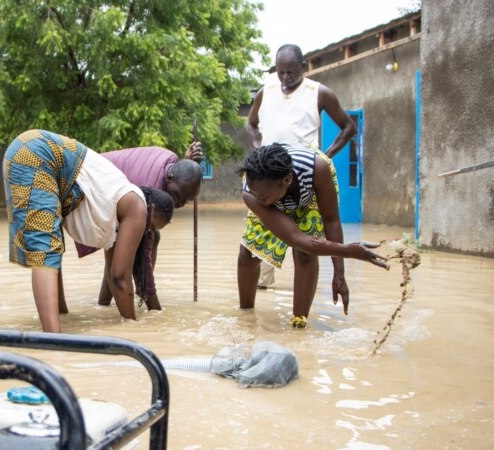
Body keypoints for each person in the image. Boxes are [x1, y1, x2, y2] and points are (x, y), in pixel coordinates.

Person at [2, 129, 175, 332]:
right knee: (45, 248)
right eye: (150, 227)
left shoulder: (118, 211)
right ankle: (54, 342)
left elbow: (113, 276)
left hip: (29, 151)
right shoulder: (137, 207)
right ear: (151, 208)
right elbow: (121, 278)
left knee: (51, 246)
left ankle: (60, 317)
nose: (146, 234)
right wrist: (133, 329)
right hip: (39, 152)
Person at [242, 43, 357, 291]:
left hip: (304, 178)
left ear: (302, 67)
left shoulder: (319, 93)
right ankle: (256, 301)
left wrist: (325, 156)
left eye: (291, 72)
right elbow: (251, 125)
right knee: (252, 250)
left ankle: (300, 318)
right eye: (281, 72)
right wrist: (258, 148)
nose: (285, 78)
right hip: (268, 179)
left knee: (305, 250)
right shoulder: (266, 91)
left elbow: (349, 127)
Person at [237, 142, 388, 327]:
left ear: (287, 180)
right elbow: (296, 238)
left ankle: (299, 322)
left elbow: (331, 220)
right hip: (275, 193)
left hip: (309, 195)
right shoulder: (253, 194)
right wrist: (349, 251)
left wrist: (339, 273)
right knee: (249, 254)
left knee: (305, 256)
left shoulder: (317, 170)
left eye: (264, 197)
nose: (260, 201)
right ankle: (245, 316)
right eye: (256, 194)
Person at [76, 144, 204, 310]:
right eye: (179, 195)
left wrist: (187, 164)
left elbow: (180, 175)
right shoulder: (148, 191)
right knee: (125, 247)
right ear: (170, 178)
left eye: (186, 200)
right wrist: (154, 307)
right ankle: (118, 303)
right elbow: (141, 259)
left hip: (102, 183)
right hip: (87, 185)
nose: (179, 203)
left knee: (133, 243)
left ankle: (104, 305)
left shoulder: (171, 164)